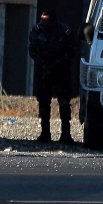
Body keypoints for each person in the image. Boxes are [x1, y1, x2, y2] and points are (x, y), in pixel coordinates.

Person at [28, 9, 76, 145]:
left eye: (46, 21)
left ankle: (66, 134)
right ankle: (45, 133)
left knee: (64, 102)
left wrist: (56, 63)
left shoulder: (65, 31)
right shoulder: (36, 30)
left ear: (53, 22)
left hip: (61, 71)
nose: (42, 23)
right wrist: (43, 64)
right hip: (42, 70)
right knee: (43, 101)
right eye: (41, 20)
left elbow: (71, 51)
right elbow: (32, 49)